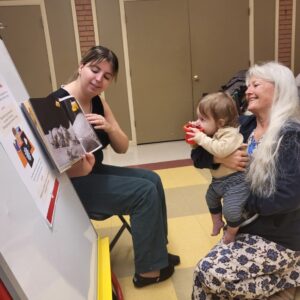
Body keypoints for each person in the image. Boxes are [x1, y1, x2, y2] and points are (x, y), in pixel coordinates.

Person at [47, 45, 180, 288]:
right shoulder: (56, 105)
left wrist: (109, 128)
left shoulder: (98, 103)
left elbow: (122, 147)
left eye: (107, 76)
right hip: (73, 186)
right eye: (94, 70)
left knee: (152, 179)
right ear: (81, 66)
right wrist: (84, 160)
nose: (99, 79)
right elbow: (70, 171)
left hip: (92, 172)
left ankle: (156, 253)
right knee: (143, 192)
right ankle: (148, 272)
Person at [192, 61, 300, 299]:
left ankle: (292, 272)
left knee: (207, 273)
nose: (247, 90)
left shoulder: (291, 135)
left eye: (256, 84)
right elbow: (197, 157)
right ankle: (288, 277)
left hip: (277, 234)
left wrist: (239, 199)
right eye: (248, 84)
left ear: (279, 89)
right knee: (203, 277)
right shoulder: (244, 124)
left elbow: (289, 197)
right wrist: (222, 159)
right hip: (243, 225)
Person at [187, 92, 254, 244]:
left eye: (202, 119)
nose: (198, 122)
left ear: (221, 122)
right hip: (218, 181)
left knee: (231, 211)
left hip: (236, 182)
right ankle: (217, 222)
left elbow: (221, 150)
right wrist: (194, 141)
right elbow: (198, 157)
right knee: (210, 198)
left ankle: (231, 232)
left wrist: (201, 138)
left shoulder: (230, 133)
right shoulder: (213, 133)